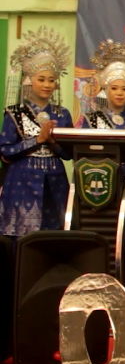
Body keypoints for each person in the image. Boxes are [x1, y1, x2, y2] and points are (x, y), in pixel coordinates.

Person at [79, 39, 125, 300]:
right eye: (114, 88)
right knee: (101, 237)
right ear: (104, 89)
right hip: (98, 188)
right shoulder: (90, 121)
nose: (120, 93)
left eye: (124, 89)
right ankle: (95, 294)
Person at [0, 26, 73, 239]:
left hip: (55, 180)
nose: (47, 84)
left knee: (53, 237)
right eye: (41, 79)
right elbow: (5, 151)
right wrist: (37, 140)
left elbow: (69, 154)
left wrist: (52, 142)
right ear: (29, 80)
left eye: (51, 80)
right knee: (21, 238)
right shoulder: (14, 113)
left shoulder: (62, 114)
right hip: (22, 180)